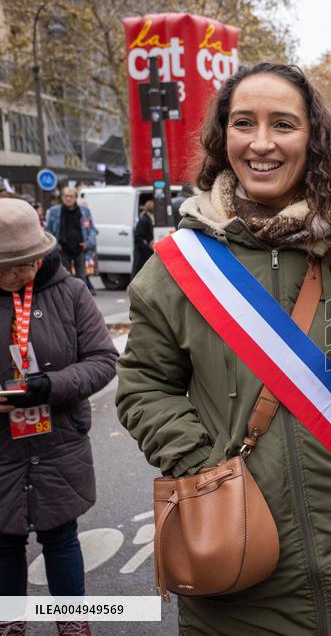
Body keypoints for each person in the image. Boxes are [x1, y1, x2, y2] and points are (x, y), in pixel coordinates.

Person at [115, 63, 331, 634]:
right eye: (244, 123)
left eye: (283, 124)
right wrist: (203, 467)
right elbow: (144, 386)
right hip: (237, 557)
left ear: (312, 140)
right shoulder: (176, 269)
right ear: (223, 138)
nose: (261, 142)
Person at [0, 199, 118, 636]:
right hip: (3, 445)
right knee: (4, 543)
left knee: (61, 536)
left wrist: (50, 386)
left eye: (22, 265)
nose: (14, 276)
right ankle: (10, 622)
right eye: (4, 267)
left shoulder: (71, 293)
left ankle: (71, 623)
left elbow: (104, 360)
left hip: (58, 440)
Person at [44, 186, 97, 294]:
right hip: (63, 249)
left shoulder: (84, 211)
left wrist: (88, 243)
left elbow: (92, 229)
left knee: (82, 276)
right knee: (65, 276)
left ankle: (82, 297)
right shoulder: (54, 212)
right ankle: (68, 296)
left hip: (80, 249)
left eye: (71, 196)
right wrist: (56, 245)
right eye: (66, 196)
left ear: (75, 198)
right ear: (62, 197)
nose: (68, 199)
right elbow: (48, 230)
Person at [132, 199, 156, 277]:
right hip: (142, 252)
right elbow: (139, 237)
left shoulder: (146, 218)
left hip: (143, 250)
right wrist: (148, 246)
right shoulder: (144, 220)